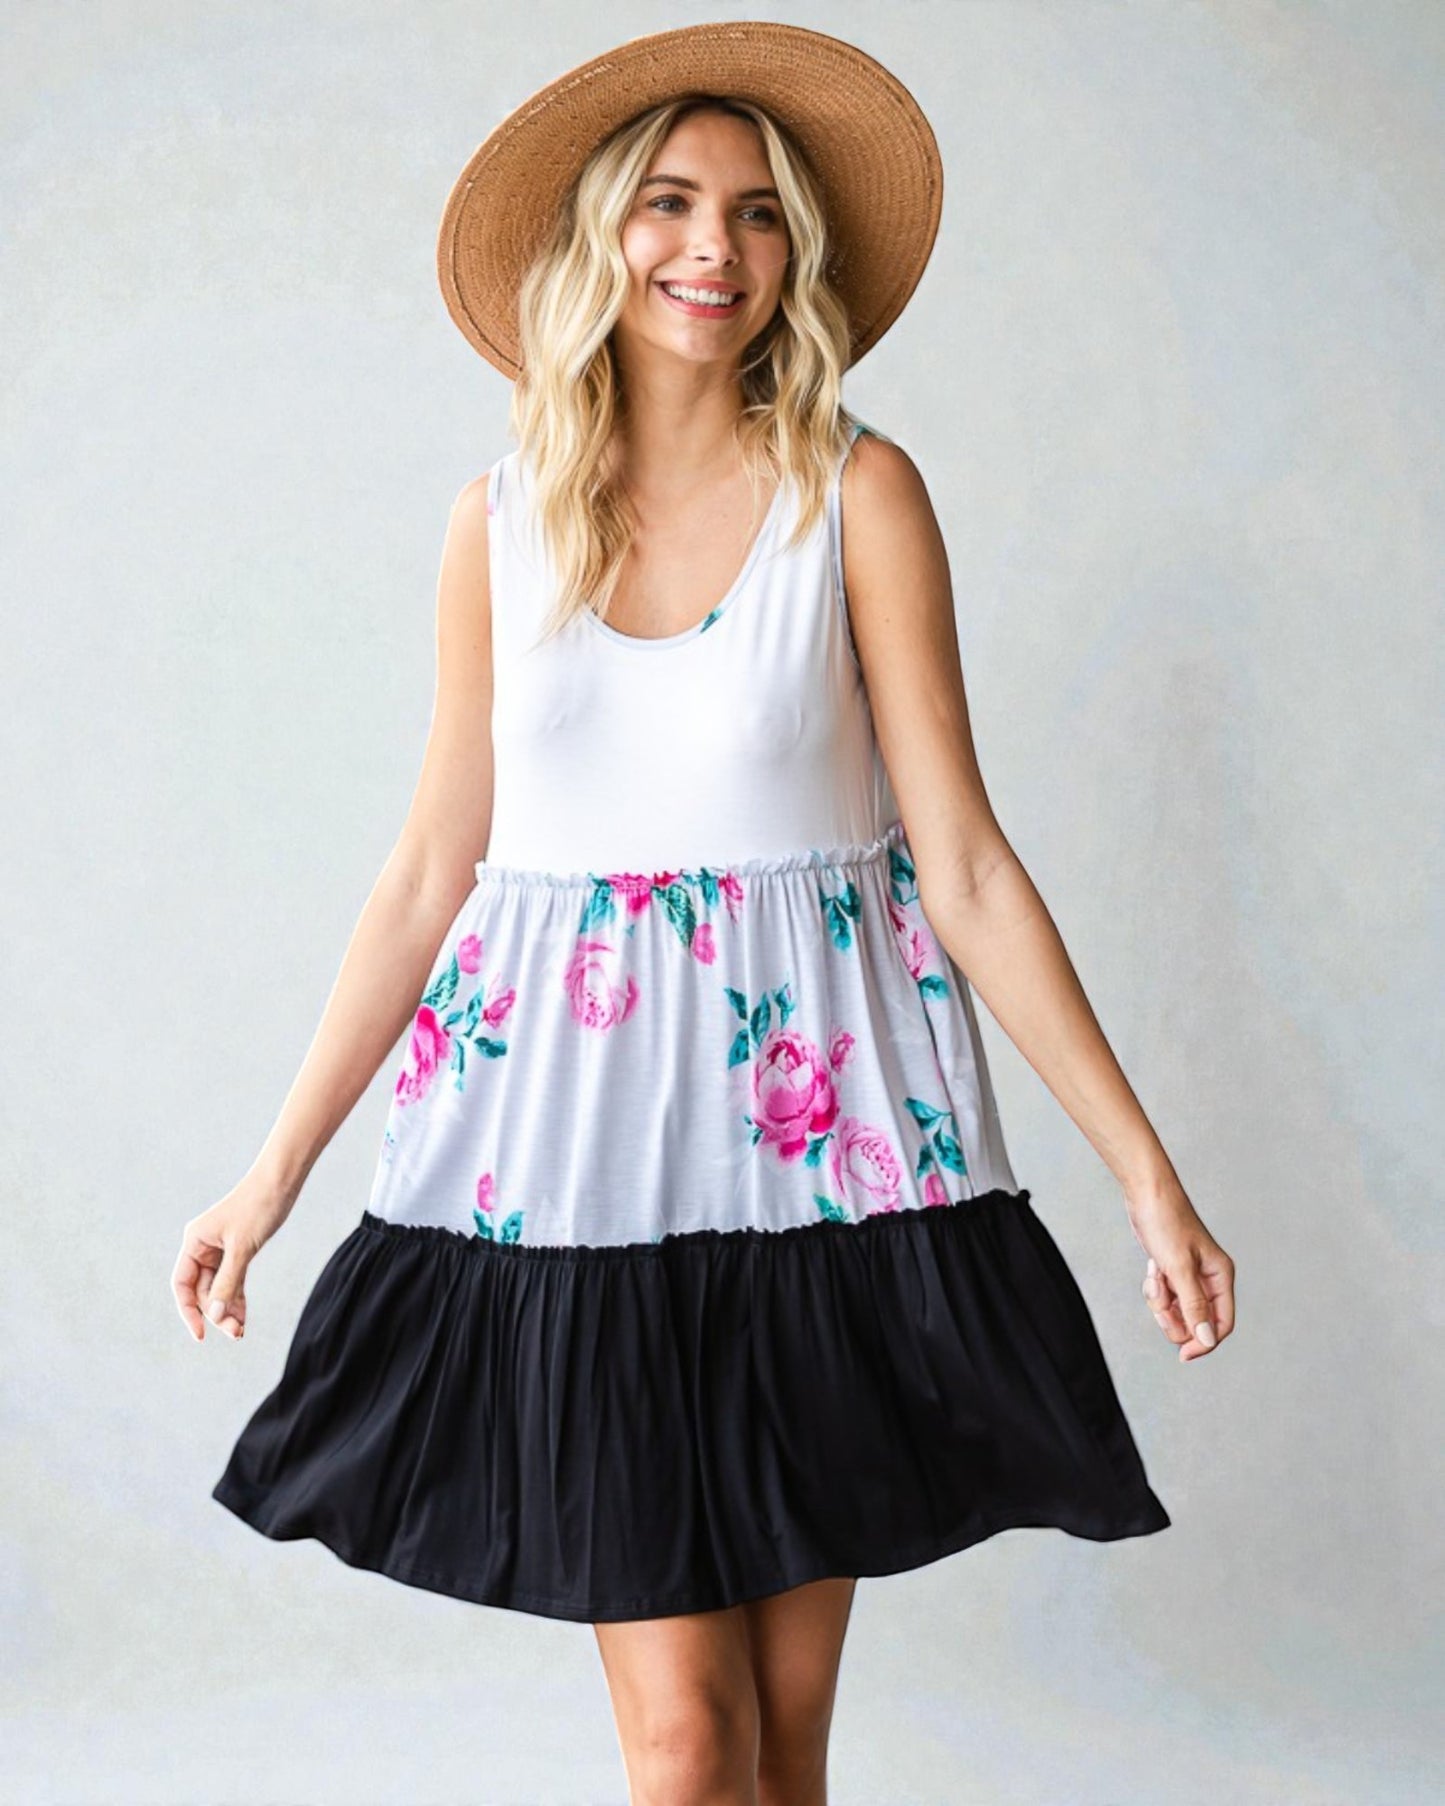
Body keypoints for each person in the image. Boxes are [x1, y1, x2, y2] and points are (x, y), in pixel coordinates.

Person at [175, 22, 1235, 1805]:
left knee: (780, 1744)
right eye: (670, 203)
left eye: (754, 214)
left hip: (827, 1190)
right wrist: (267, 1176)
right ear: (603, 234)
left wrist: (1145, 1171)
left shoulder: (859, 495)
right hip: (581, 1195)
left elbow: (960, 861)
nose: (713, 250)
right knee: (683, 1747)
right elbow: (432, 871)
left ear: (791, 255)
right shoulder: (496, 527)